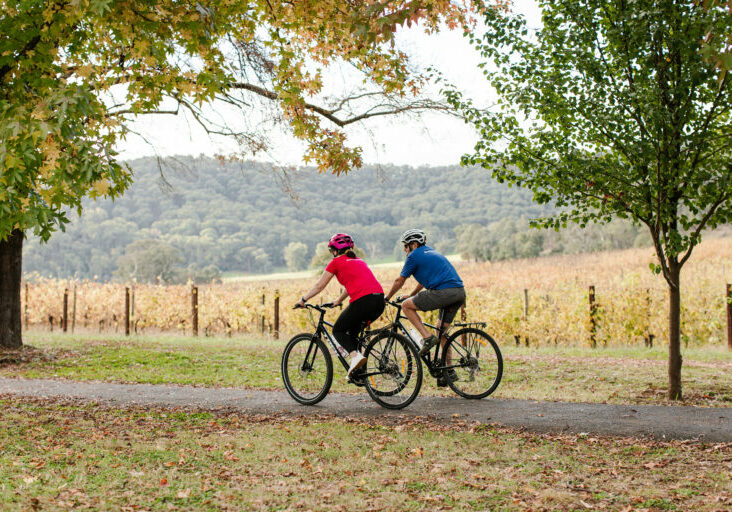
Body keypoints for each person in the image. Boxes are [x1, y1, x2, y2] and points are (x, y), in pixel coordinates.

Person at [295, 233, 385, 379]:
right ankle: (359, 373)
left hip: (363, 301)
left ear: (335, 250)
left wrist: (303, 299)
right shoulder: (359, 261)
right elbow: (354, 284)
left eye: (331, 250)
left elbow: (319, 285)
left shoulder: (336, 262)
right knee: (353, 335)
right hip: (379, 301)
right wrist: (338, 300)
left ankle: (355, 357)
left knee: (338, 330)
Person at [384, 228, 465, 386]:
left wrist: (387, 298)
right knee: (441, 330)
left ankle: (427, 338)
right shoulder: (432, 253)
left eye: (406, 246)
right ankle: (448, 371)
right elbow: (424, 281)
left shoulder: (414, 256)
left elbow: (400, 280)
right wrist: (411, 294)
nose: (404, 249)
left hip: (443, 292)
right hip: (459, 293)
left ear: (414, 245)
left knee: (406, 306)